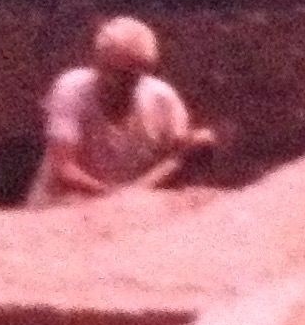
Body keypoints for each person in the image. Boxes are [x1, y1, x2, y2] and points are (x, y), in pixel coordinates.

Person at [25, 17, 215, 208]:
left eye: (136, 75)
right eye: (119, 73)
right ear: (98, 63)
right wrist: (114, 197)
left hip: (131, 214)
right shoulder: (71, 89)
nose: (126, 84)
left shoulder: (162, 99)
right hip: (61, 209)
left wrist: (194, 145)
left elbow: (180, 151)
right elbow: (63, 167)